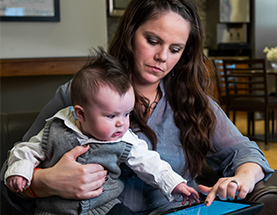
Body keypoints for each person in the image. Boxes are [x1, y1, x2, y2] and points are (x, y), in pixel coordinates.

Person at [1, 0, 274, 214]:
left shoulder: (193, 101)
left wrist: (242, 179)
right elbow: (12, 176)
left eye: (175, 49)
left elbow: (245, 152)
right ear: (131, 34)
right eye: (153, 41)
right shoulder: (78, 95)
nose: (162, 58)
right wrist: (45, 182)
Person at [4, 48, 199, 215]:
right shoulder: (55, 128)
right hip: (54, 210)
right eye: (111, 116)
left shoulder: (124, 139)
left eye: (127, 114)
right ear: (81, 113)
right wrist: (21, 173)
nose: (121, 124)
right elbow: (25, 150)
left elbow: (150, 162)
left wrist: (174, 184)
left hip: (106, 208)